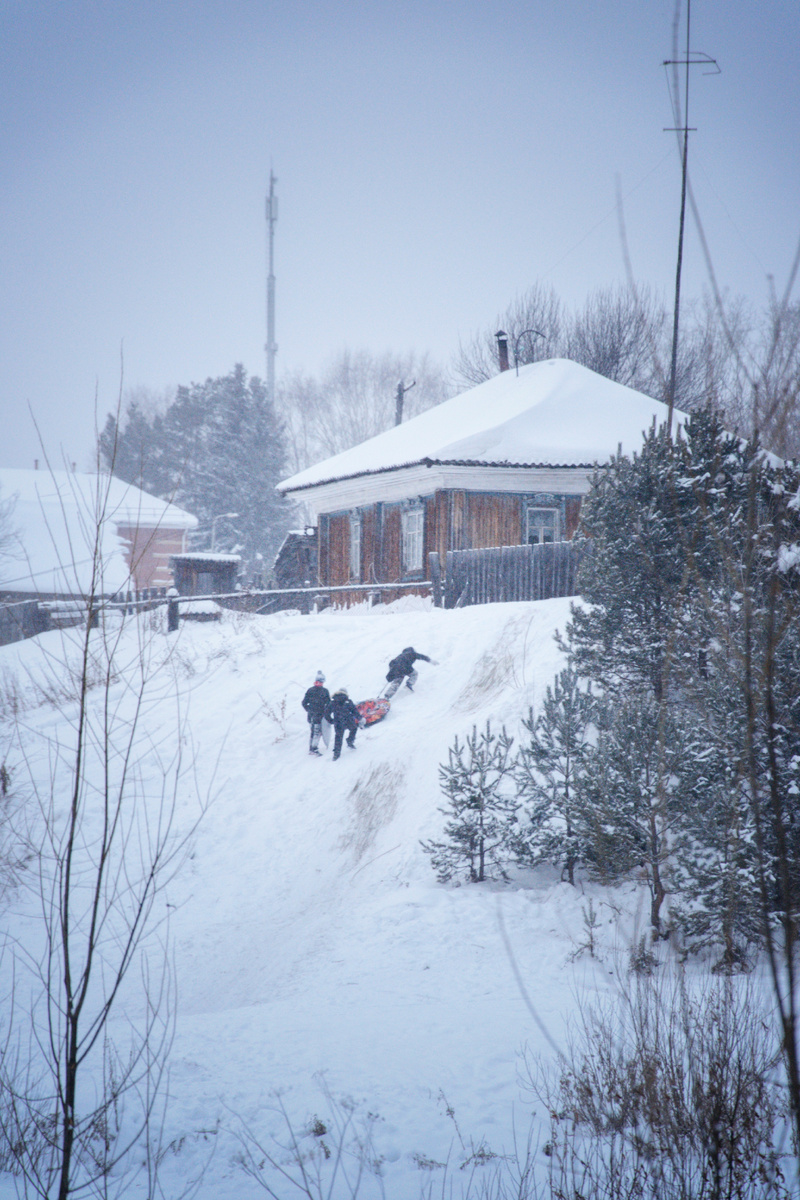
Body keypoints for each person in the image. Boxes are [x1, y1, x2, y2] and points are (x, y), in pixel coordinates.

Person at [301, 670, 330, 756]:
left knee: (313, 732)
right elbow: (328, 704)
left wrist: (309, 710)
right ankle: (313, 749)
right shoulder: (324, 691)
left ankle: (312, 748)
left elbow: (304, 703)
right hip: (318, 715)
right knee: (317, 732)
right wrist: (325, 711)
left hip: (312, 715)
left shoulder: (310, 690)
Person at [327, 686, 360, 760]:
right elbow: (354, 711)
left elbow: (326, 713)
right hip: (348, 720)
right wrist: (360, 718)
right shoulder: (348, 701)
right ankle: (350, 741)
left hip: (338, 722)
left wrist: (331, 721)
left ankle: (336, 755)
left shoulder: (333, 702)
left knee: (338, 738)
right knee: (354, 729)